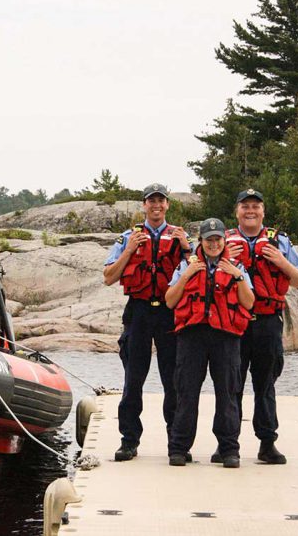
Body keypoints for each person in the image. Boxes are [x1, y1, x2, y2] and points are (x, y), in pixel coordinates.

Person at [216, 189, 298, 465]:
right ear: (237, 212)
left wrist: (280, 261)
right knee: (232, 385)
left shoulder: (280, 242)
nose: (250, 211)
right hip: (235, 322)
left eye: (255, 206)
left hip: (267, 322)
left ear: (263, 211)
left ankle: (267, 443)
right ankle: (227, 444)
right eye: (245, 206)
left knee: (265, 385)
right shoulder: (223, 242)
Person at [103, 183, 191, 462]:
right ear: (144, 205)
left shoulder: (178, 236)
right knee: (133, 380)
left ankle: (176, 443)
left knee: (173, 381)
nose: (156, 205)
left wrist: (187, 249)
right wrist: (129, 251)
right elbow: (108, 277)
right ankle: (129, 440)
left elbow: (195, 274)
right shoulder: (128, 237)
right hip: (139, 312)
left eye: (161, 201)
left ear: (167, 205)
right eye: (151, 201)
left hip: (168, 312)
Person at [165, 218, 254, 468]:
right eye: (208, 240)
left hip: (225, 336)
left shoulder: (236, 266)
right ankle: (179, 448)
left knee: (227, 393)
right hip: (192, 336)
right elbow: (170, 301)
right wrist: (188, 275)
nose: (213, 244)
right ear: (201, 242)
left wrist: (237, 277)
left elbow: (249, 303)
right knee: (186, 393)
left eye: (217, 239)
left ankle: (229, 450)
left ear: (224, 241)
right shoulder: (186, 265)